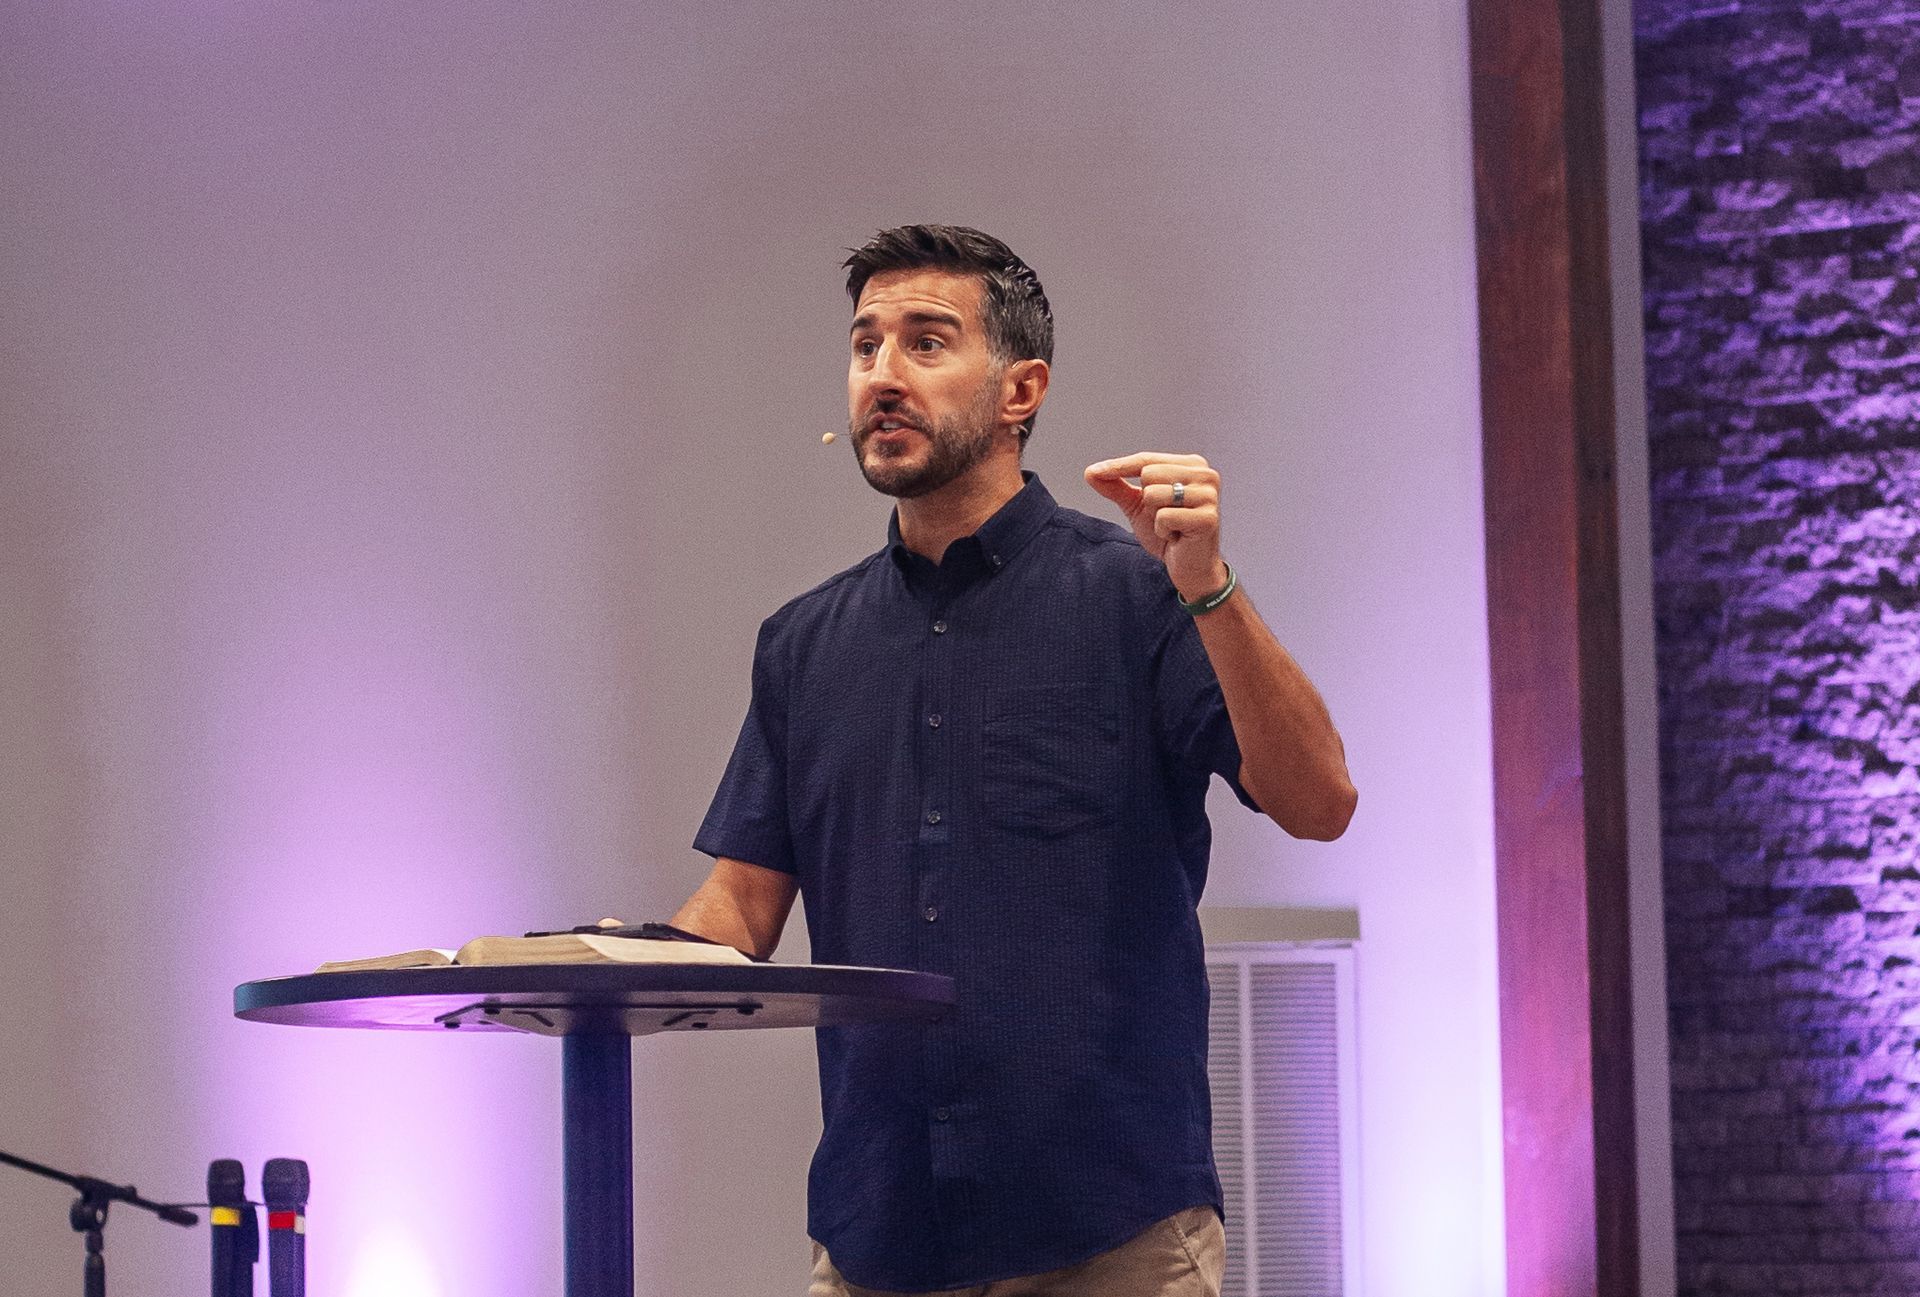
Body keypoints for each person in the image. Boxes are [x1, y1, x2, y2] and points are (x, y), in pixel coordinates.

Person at [674, 225, 1356, 1296]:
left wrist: (1210, 587)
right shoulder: (803, 644)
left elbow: (1320, 802)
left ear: (1020, 391)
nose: (882, 375)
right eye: (864, 345)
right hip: (878, 1232)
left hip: (1109, 1229)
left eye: (926, 341)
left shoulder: (1140, 596)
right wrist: (580, 972)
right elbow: (739, 907)